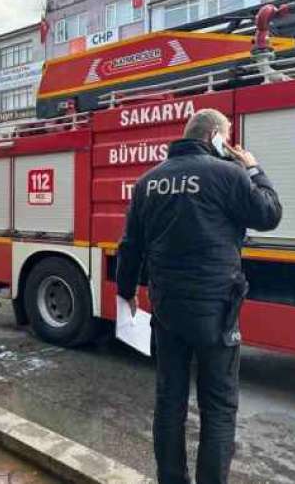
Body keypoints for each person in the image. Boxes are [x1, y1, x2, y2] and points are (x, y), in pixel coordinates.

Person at [116, 109, 282, 484]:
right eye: (227, 137)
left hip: (168, 311)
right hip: (216, 313)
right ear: (215, 138)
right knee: (219, 407)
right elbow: (270, 213)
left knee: (169, 402)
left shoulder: (148, 182)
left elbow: (130, 247)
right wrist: (254, 168)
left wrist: (127, 293)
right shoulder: (230, 174)